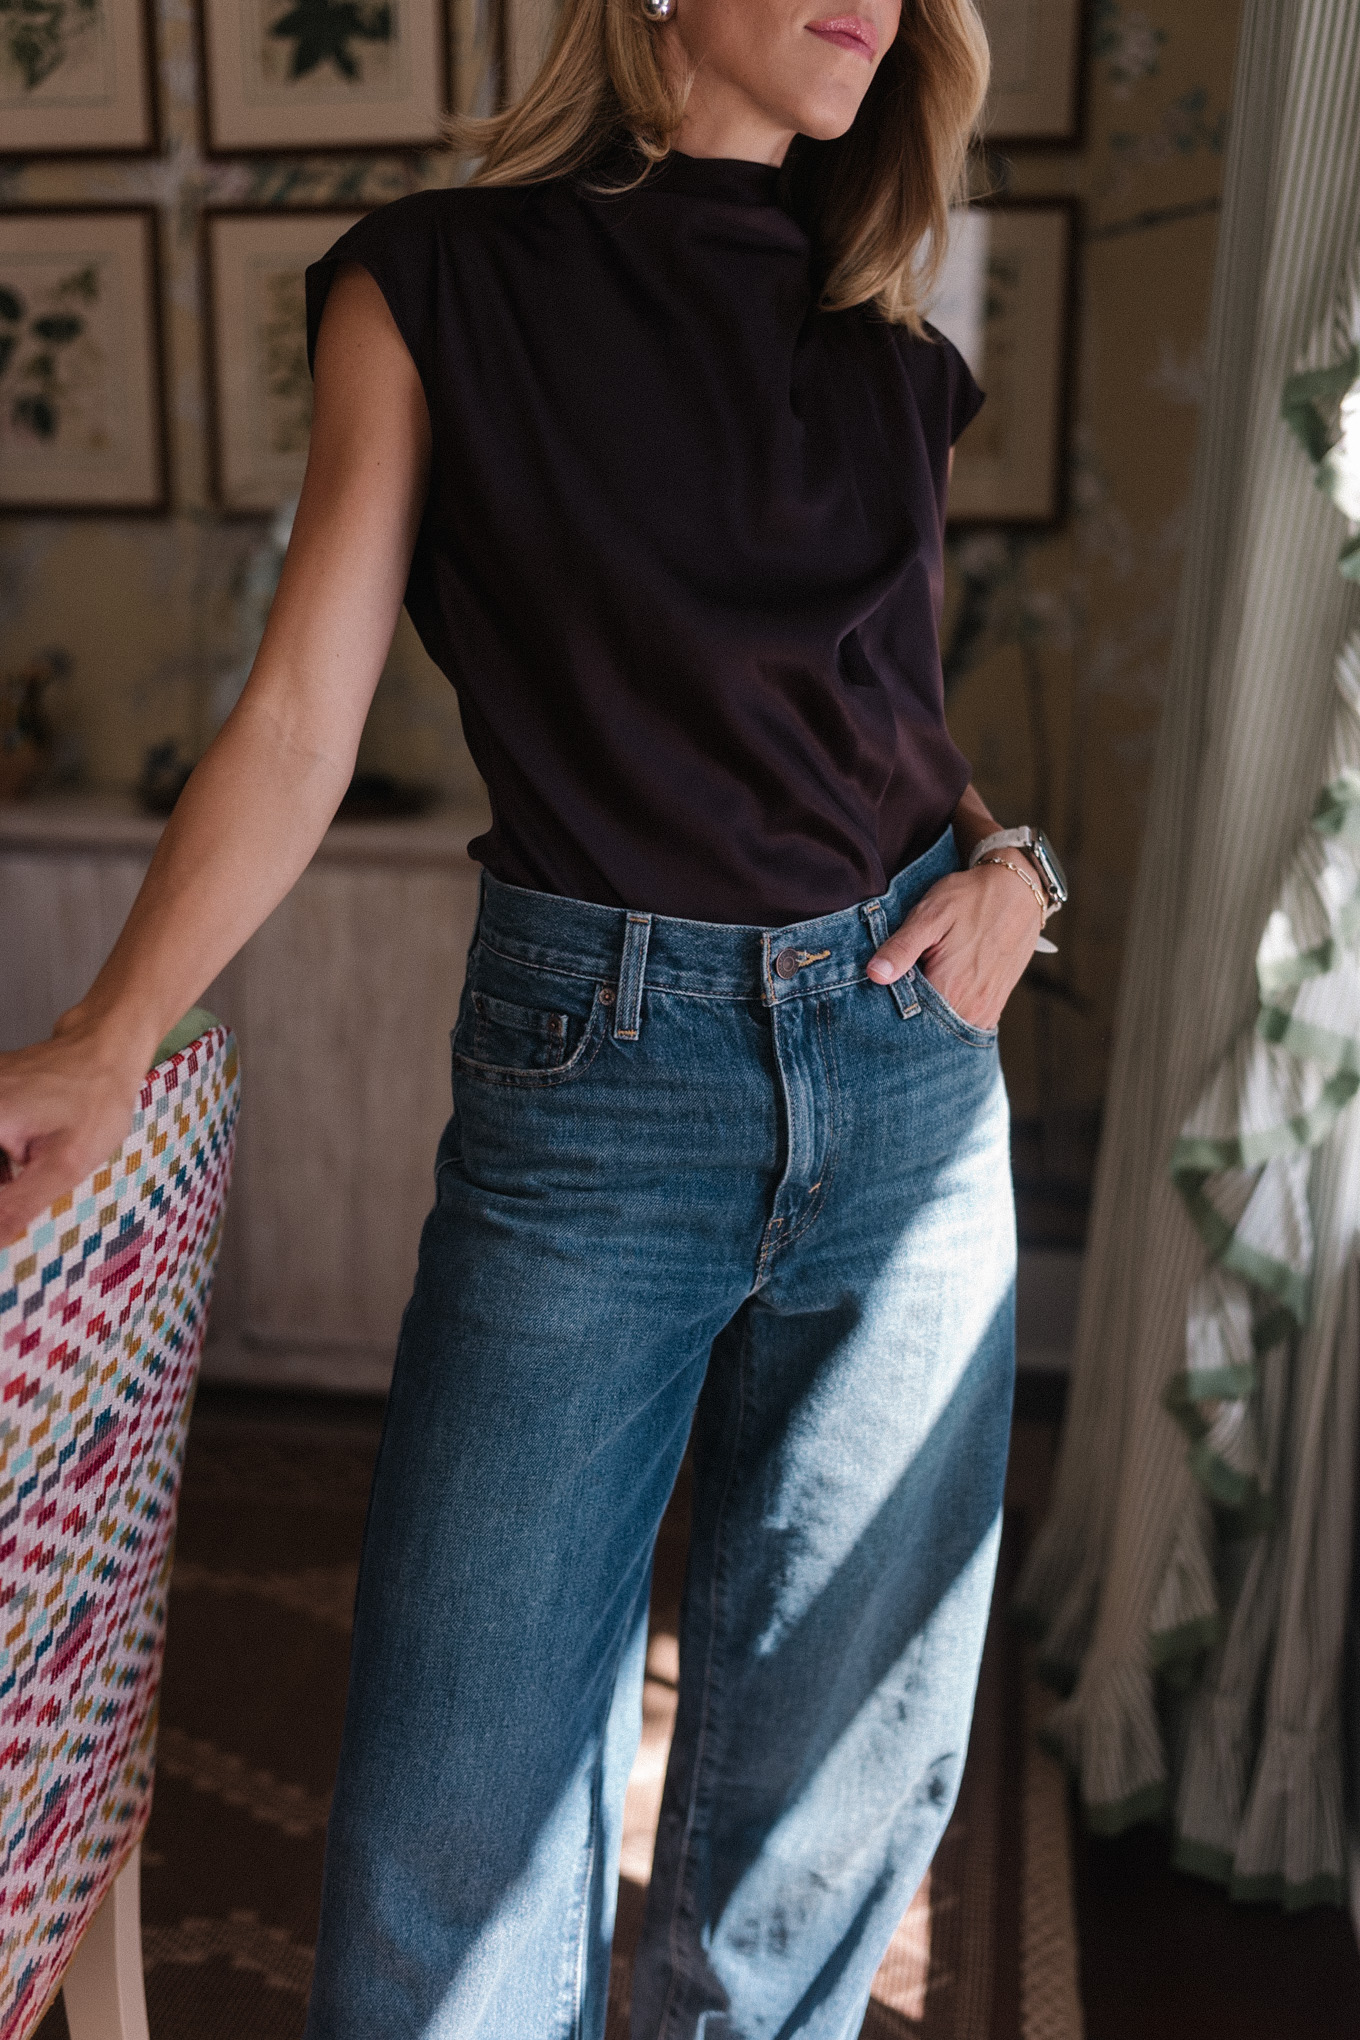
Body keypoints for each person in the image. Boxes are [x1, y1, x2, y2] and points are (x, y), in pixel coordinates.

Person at [0, 0, 1067, 2032]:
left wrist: (1023, 869)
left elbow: (892, 756)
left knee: (827, 1822)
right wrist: (112, 1024)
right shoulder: (435, 286)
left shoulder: (893, 357)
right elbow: (303, 718)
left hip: (906, 1080)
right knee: (455, 1823)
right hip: (601, 1086)